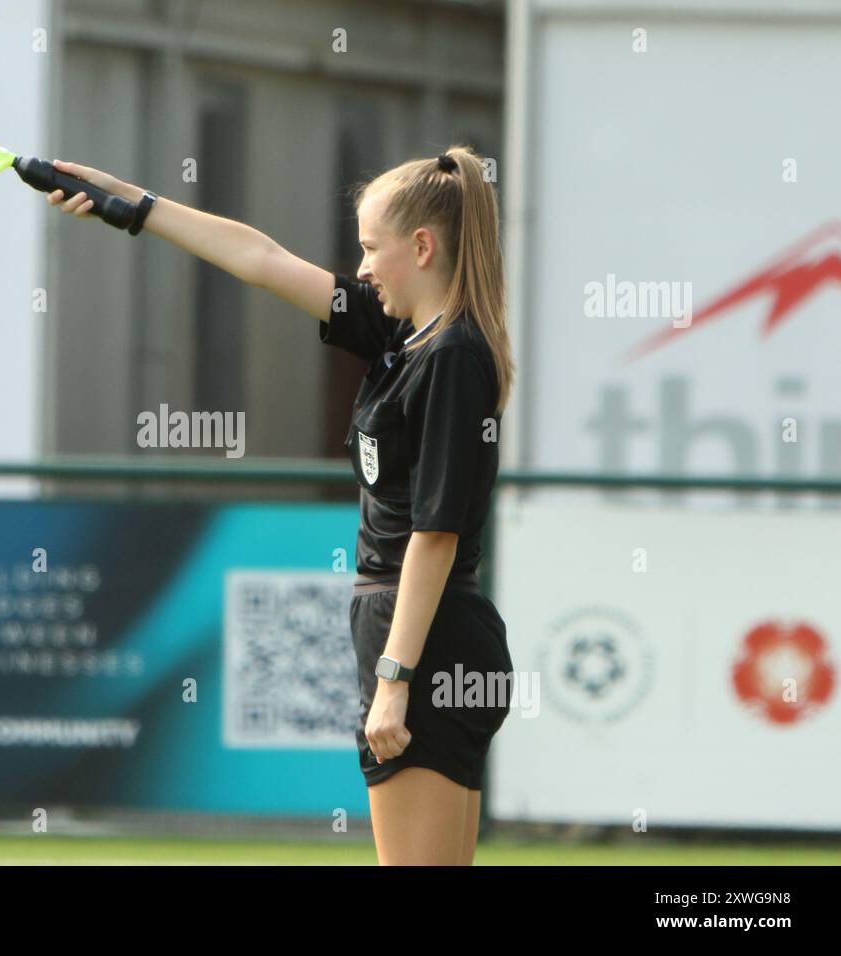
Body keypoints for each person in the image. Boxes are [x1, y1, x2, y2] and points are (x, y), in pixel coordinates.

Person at [43, 145, 516, 865]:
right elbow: (259, 258)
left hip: (425, 637)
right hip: (422, 634)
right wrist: (128, 201)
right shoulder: (401, 335)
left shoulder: (450, 356)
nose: (359, 268)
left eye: (369, 249)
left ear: (421, 246)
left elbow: (437, 535)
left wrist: (395, 681)